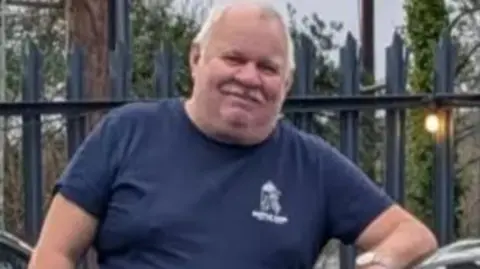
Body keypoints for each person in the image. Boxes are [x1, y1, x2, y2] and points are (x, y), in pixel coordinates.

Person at [27, 1, 438, 269]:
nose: (248, 78)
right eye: (234, 58)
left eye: (267, 67)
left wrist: (380, 262)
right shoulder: (126, 132)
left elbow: (414, 235)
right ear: (196, 59)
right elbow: (53, 252)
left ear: (286, 83)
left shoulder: (312, 165)